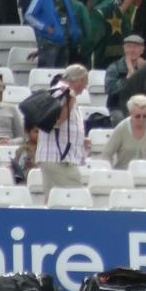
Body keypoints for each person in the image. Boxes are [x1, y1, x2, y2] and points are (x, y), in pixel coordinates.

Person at [35, 64, 90, 196]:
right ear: (80, 80)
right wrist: (69, 103)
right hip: (58, 158)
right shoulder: (63, 92)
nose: (85, 86)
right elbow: (56, 121)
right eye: (85, 82)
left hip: (57, 157)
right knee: (75, 198)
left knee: (53, 200)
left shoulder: (61, 92)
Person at [25, 0, 81, 68]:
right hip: (49, 42)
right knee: (47, 76)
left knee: (61, 77)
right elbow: (29, 15)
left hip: (64, 41)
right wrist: (45, 28)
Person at [102, 94, 146, 170]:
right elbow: (106, 154)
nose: (141, 119)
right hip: (124, 175)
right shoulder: (121, 128)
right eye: (138, 116)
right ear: (130, 114)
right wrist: (110, 172)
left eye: (145, 116)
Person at [104, 34, 146, 125]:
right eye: (129, 47)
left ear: (142, 50)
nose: (132, 50)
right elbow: (109, 90)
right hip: (118, 107)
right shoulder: (114, 67)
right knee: (122, 120)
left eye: (135, 47)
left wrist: (143, 72)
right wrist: (127, 78)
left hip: (141, 107)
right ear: (124, 49)